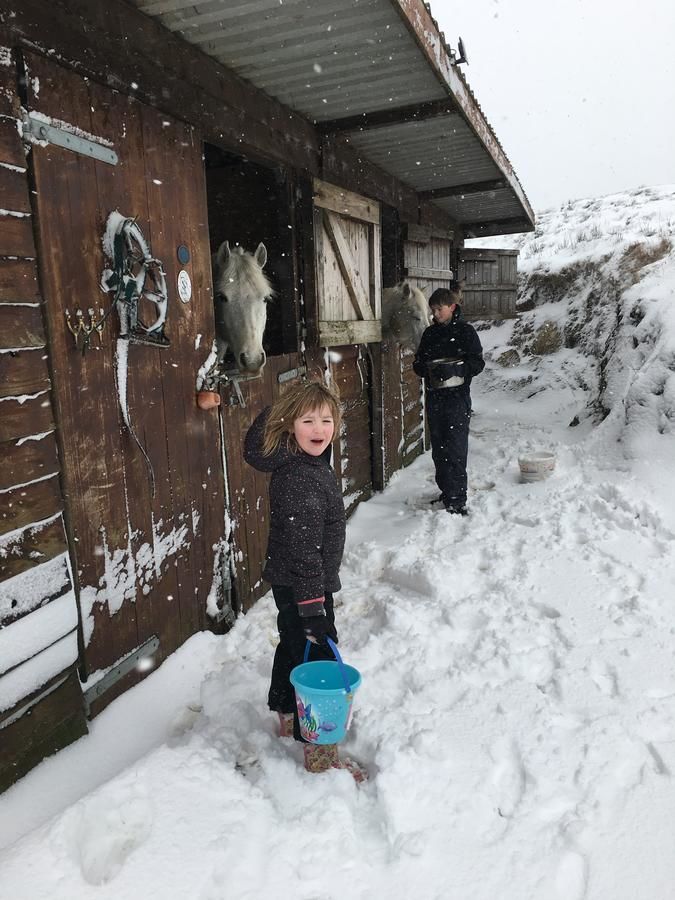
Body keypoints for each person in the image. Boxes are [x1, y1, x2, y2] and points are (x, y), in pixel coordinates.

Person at [244, 380, 365, 781]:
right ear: (288, 425)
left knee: (294, 643)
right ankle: (319, 752)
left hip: (294, 581)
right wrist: (313, 608)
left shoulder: (304, 463)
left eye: (327, 419)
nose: (319, 428)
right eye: (308, 419)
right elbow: (304, 549)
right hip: (304, 584)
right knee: (321, 665)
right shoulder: (301, 476)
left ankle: (283, 707)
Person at [413, 283, 485, 515]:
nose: (435, 314)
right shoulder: (430, 333)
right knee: (439, 450)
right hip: (435, 398)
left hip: (457, 399)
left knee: (455, 448)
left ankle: (457, 500)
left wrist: (457, 369)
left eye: (439, 309)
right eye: (432, 310)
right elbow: (418, 362)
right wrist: (426, 369)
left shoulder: (466, 332)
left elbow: (477, 363)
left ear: (452, 307)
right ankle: (446, 493)